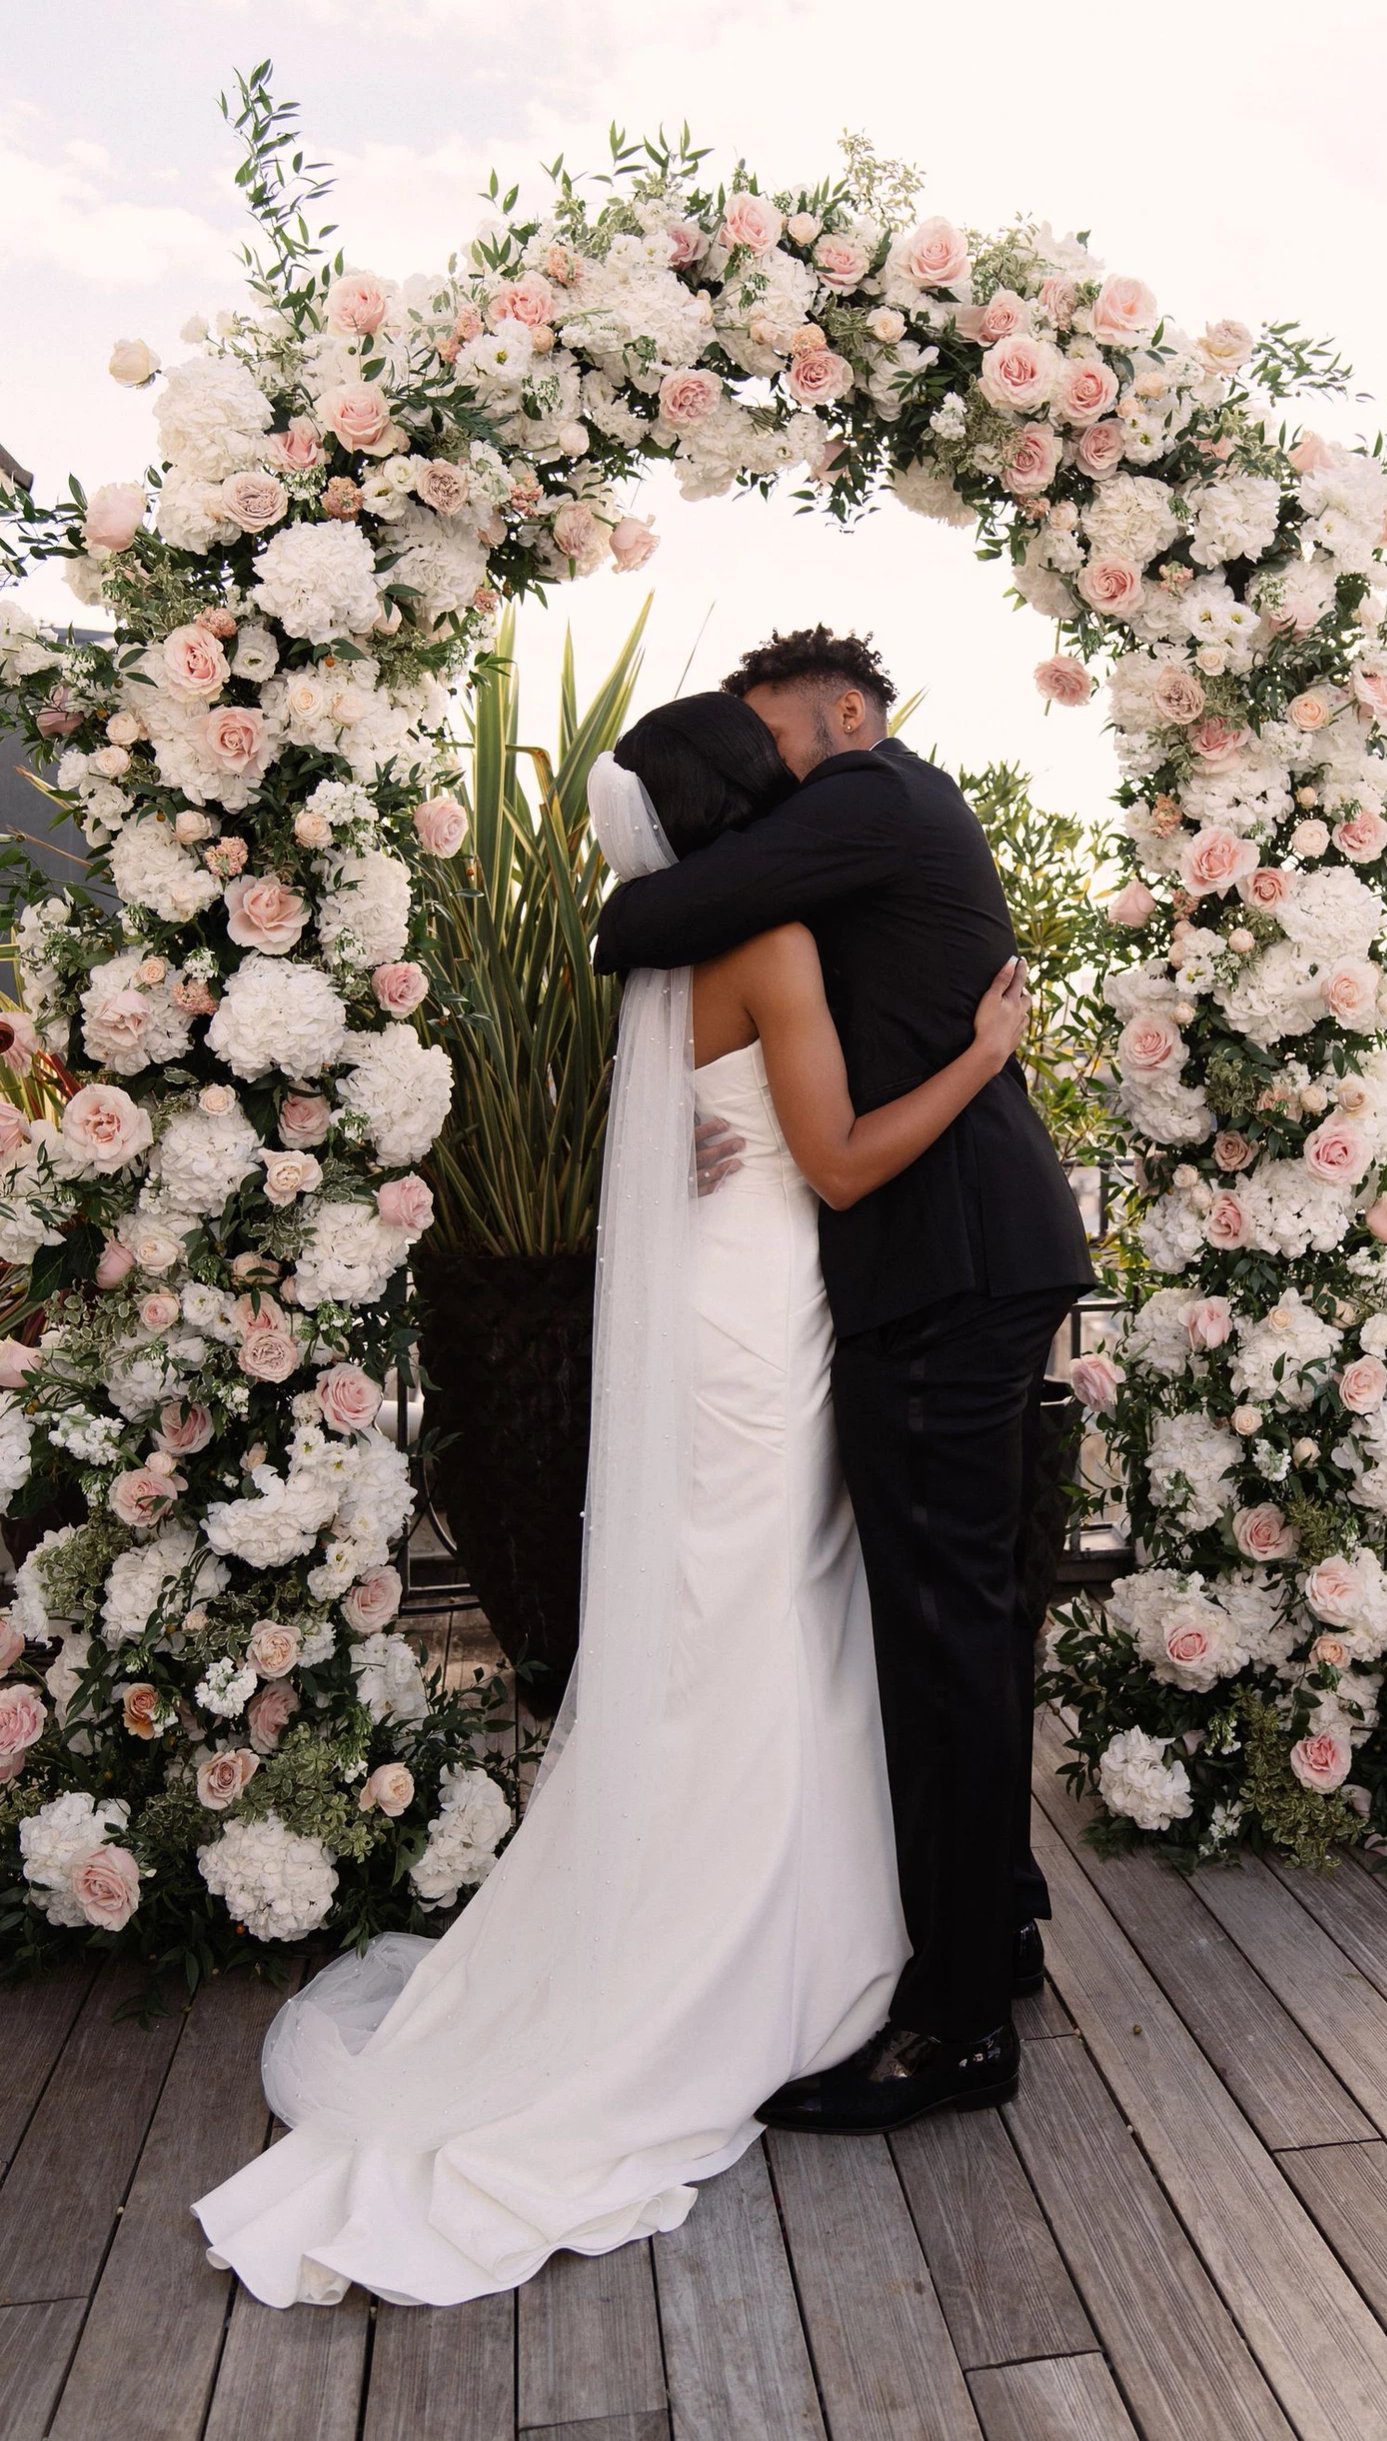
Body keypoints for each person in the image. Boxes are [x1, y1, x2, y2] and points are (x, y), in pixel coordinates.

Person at [193, 692, 1027, 2307]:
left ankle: (774, 1913)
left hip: (721, 1287)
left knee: (739, 1610)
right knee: (772, 1608)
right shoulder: (773, 938)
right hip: (777, 1303)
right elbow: (841, 1162)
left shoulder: (672, 951)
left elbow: (705, 1128)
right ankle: (762, 1948)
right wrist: (985, 1056)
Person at [594, 626, 1094, 2136]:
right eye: (746, 761)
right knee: (973, 1619)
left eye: (781, 742)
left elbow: (644, 920)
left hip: (944, 1265)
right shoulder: (842, 853)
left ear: (851, 713)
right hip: (959, 1260)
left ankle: (951, 2029)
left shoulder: (876, 793)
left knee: (943, 1631)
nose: (770, 779)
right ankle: (992, 1929)